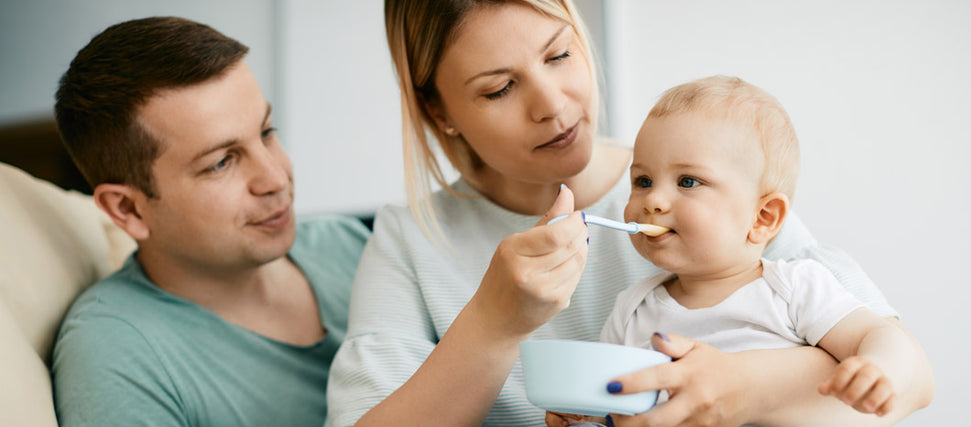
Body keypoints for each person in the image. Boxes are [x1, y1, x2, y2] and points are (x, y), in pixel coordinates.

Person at [326, 1, 934, 426]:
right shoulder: (409, 243)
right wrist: (493, 324)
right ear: (440, 113)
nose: (552, 103)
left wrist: (741, 388)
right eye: (499, 88)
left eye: (559, 55)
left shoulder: (725, 196)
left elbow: (905, 381)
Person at [547, 76, 929, 427]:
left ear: (763, 217)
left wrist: (877, 368)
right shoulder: (631, 309)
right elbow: (621, 406)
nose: (654, 201)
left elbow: (880, 336)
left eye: (688, 181)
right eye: (643, 181)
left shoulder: (795, 288)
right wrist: (585, 413)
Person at [50, 17, 369, 427]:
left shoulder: (343, 242)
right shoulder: (117, 351)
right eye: (221, 162)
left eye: (267, 132)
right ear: (127, 210)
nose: (275, 178)